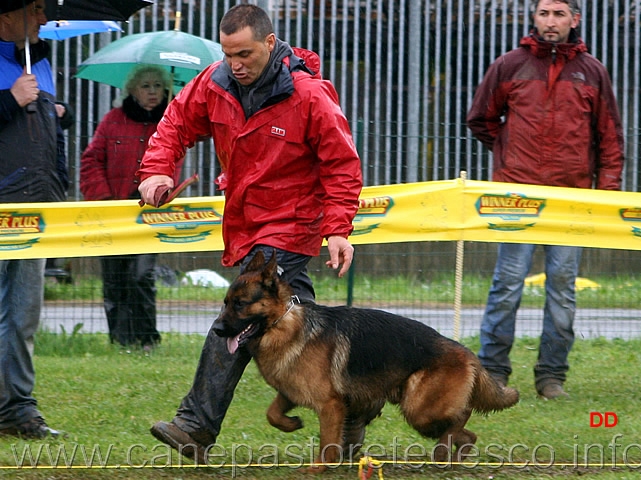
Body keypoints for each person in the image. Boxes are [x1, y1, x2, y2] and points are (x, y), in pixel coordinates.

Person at [137, 4, 362, 463]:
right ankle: (354, 405)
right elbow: (175, 124)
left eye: (244, 54)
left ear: (270, 43)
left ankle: (195, 426)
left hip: (291, 225)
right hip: (246, 221)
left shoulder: (309, 96)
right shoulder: (215, 83)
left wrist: (338, 228)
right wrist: (157, 172)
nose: (234, 64)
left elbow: (342, 165)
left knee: (240, 312)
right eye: (227, 54)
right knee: (306, 327)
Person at [467, 0, 624, 400]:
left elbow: (610, 136)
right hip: (516, 196)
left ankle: (551, 377)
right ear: (533, 18)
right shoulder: (509, 65)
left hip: (570, 199)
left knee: (562, 289)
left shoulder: (593, 72)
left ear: (575, 19)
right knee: (506, 285)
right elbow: (482, 119)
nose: (550, 22)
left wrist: (604, 196)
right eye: (544, 13)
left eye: (559, 14)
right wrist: (507, 155)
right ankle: (493, 374)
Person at [0, 0, 67, 438]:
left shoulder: (40, 62)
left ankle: (18, 409)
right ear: (7, 13)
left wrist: (60, 113)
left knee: (24, 315)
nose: (45, 17)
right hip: (3, 205)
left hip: (38, 211)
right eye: (37, 8)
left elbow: (44, 132)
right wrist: (8, 101)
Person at [80, 65, 178, 350]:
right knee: (114, 279)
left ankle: (147, 339)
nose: (152, 92)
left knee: (141, 275)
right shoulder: (112, 121)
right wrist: (104, 199)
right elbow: (91, 161)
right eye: (146, 86)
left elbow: (174, 164)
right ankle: (120, 341)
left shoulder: (169, 126)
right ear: (133, 90)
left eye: (157, 86)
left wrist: (158, 190)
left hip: (149, 215)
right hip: (112, 213)